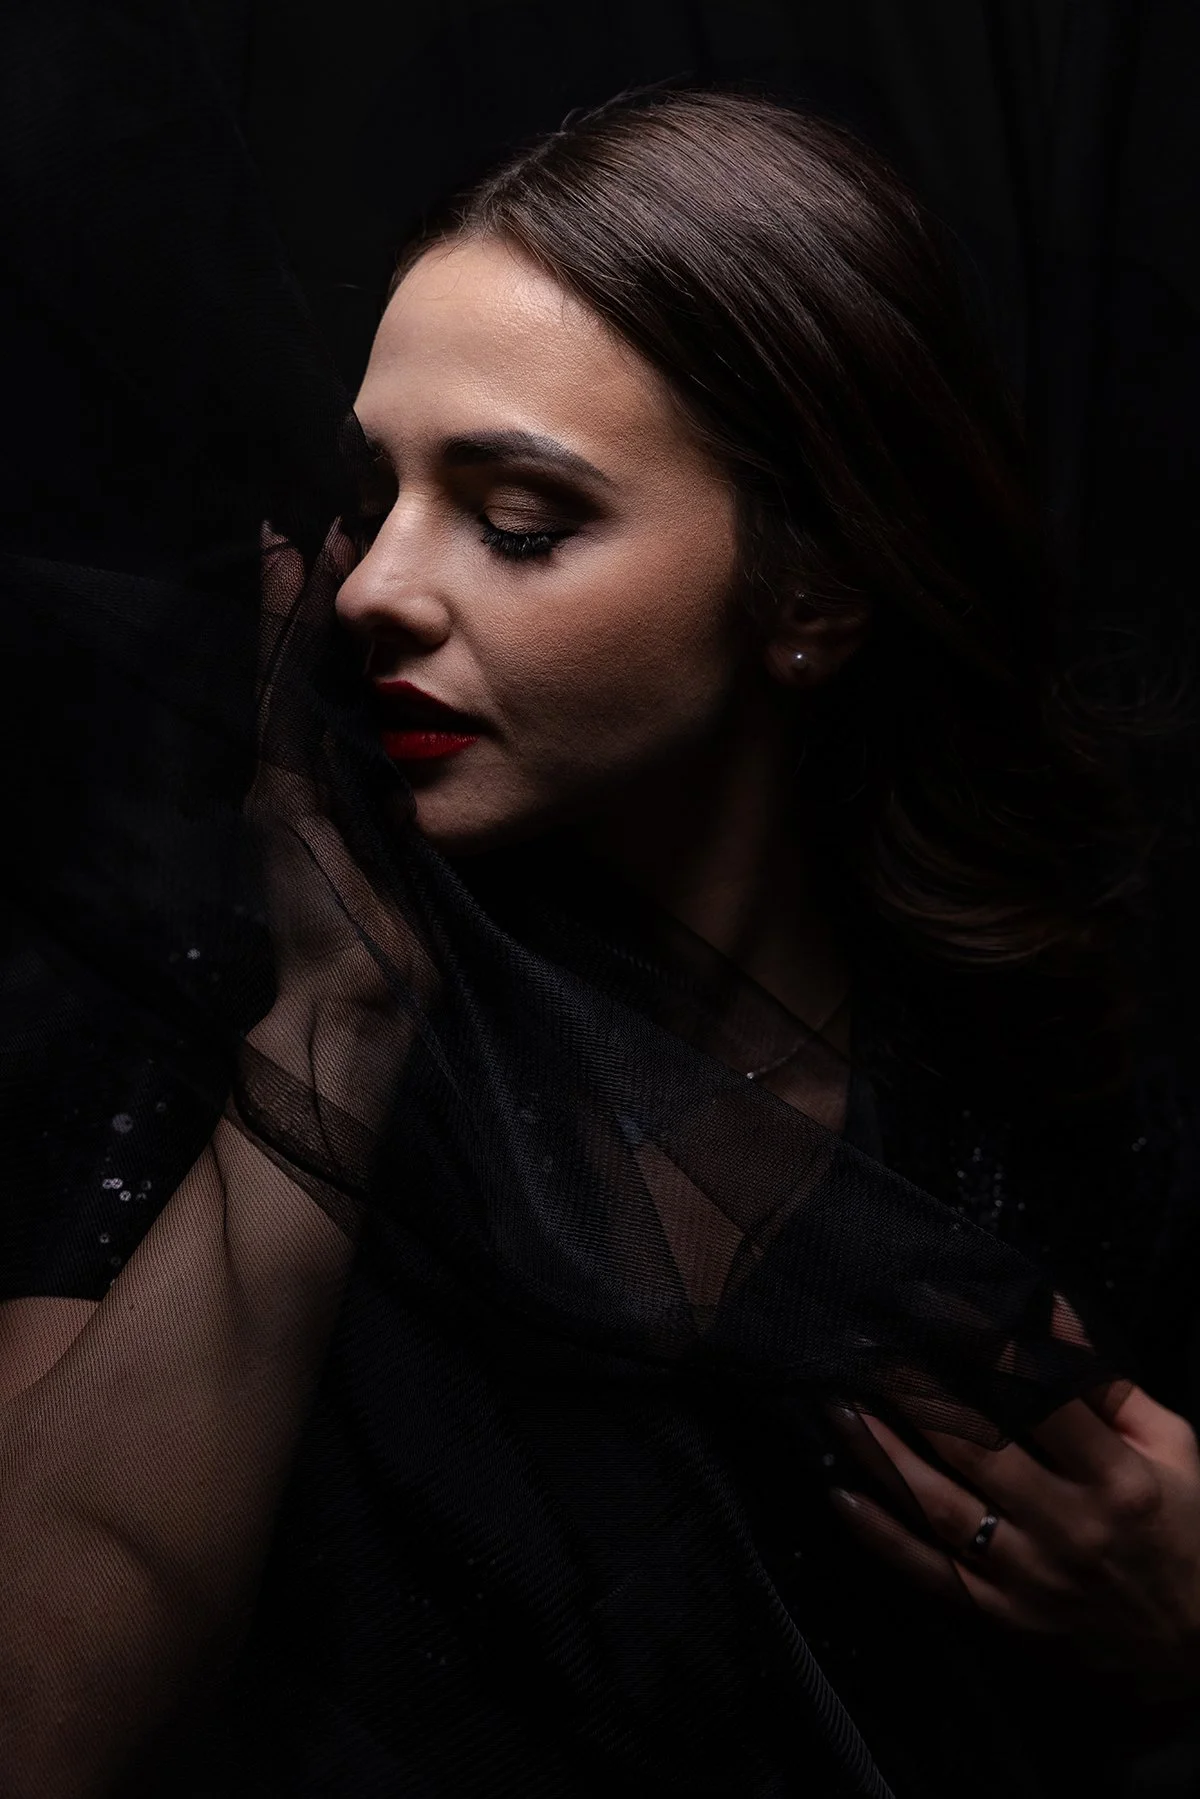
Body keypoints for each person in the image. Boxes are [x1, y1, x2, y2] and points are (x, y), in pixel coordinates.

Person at [2, 71, 1199, 1797]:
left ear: (811, 588)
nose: (370, 589)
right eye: (378, 493)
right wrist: (332, 1028)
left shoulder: (1057, 1062)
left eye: (515, 519)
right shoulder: (226, 988)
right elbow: (37, 1718)